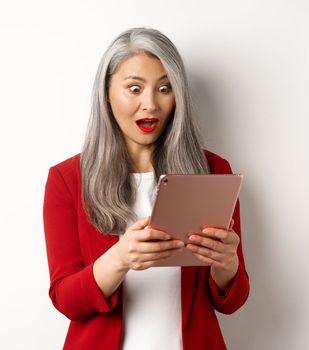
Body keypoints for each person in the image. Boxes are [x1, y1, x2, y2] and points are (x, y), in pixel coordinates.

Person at [42, 27, 250, 350]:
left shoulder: (213, 171)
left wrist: (227, 263)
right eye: (134, 89)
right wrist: (122, 257)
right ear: (107, 93)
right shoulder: (68, 180)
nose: (150, 104)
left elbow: (231, 301)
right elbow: (66, 299)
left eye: (164, 88)